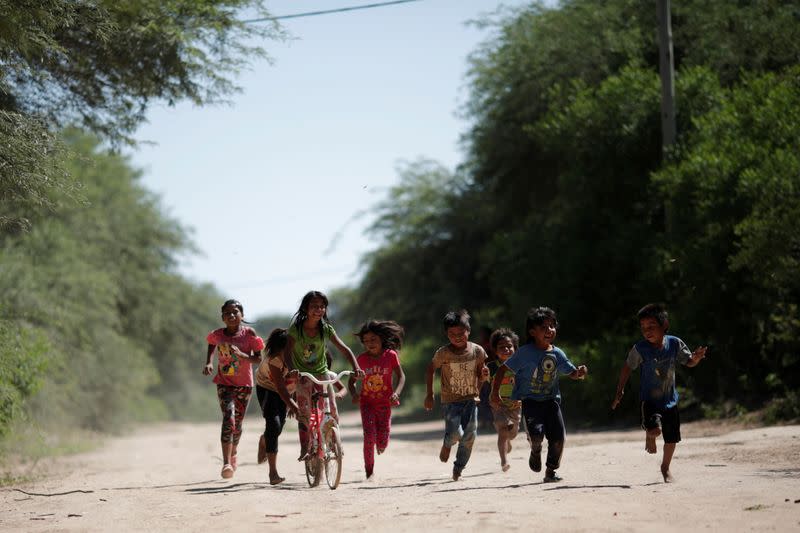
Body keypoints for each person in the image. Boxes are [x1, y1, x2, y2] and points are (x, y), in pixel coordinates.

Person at [611, 303, 708, 483]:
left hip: (670, 400)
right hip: (650, 401)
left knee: (671, 439)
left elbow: (688, 362)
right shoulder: (640, 349)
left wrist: (695, 358)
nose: (647, 331)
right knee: (655, 430)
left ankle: (665, 467)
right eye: (643, 328)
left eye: (651, 326)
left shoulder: (674, 343)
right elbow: (627, 367)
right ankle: (651, 432)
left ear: (664, 326)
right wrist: (620, 389)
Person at [490, 306, 587, 483]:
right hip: (531, 402)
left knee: (558, 438)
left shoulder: (557, 353)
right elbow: (503, 370)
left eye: (552, 326)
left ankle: (550, 471)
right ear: (532, 332)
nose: (549, 330)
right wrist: (495, 393)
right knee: (536, 436)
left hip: (551, 401)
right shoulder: (524, 353)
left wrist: (578, 373)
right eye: (544, 327)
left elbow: (570, 371)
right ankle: (535, 450)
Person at [283, 290, 364, 460]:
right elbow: (287, 353)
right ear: (305, 308)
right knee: (304, 413)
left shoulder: (325, 329)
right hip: (303, 375)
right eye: (314, 306)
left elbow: (345, 349)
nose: (318, 310)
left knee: (332, 410)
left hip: (322, 374)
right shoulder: (296, 330)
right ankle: (305, 447)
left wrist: (356, 367)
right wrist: (292, 370)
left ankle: (334, 441)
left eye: (322, 307)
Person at [424, 309, 489, 481]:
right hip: (451, 401)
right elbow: (430, 369)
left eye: (461, 333)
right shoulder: (443, 353)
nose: (457, 337)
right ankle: (447, 443)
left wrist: (479, 386)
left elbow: (482, 372)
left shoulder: (477, 351)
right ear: (447, 334)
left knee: (469, 435)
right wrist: (430, 395)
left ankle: (458, 468)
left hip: (470, 399)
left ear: (468, 331)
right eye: (452, 334)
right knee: (456, 434)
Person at [203, 299, 265, 479]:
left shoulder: (249, 334)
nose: (231, 315)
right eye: (227, 313)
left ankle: (234, 452)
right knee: (228, 419)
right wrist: (208, 362)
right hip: (224, 384)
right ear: (222, 318)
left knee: (237, 425)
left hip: (244, 385)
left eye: (235, 312)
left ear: (242, 315)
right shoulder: (218, 334)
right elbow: (212, 344)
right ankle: (226, 463)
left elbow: (258, 359)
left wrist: (242, 355)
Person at [348, 320, 406, 479]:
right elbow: (351, 382)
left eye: (373, 340)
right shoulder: (361, 360)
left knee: (382, 441)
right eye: (366, 341)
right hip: (366, 403)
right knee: (369, 437)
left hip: (385, 403)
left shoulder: (391, 356)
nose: (369, 344)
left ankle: (381, 445)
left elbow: (401, 377)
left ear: (381, 338)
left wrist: (397, 393)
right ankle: (369, 472)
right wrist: (354, 394)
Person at [254, 328, 299, 485]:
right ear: (282, 348)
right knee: (274, 424)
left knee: (278, 429)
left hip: (284, 391)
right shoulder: (274, 360)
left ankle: (264, 440)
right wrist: (293, 406)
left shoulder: (297, 358)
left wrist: (293, 398)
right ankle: (273, 473)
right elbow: (280, 387)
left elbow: (292, 383)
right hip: (267, 388)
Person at [487, 328, 521, 472]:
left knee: (512, 433)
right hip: (498, 405)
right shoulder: (491, 367)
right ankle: (504, 461)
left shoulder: (520, 366)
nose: (506, 349)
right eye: (502, 347)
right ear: (495, 350)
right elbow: (482, 379)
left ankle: (508, 441)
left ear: (515, 348)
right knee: (503, 430)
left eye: (509, 346)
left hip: (515, 405)